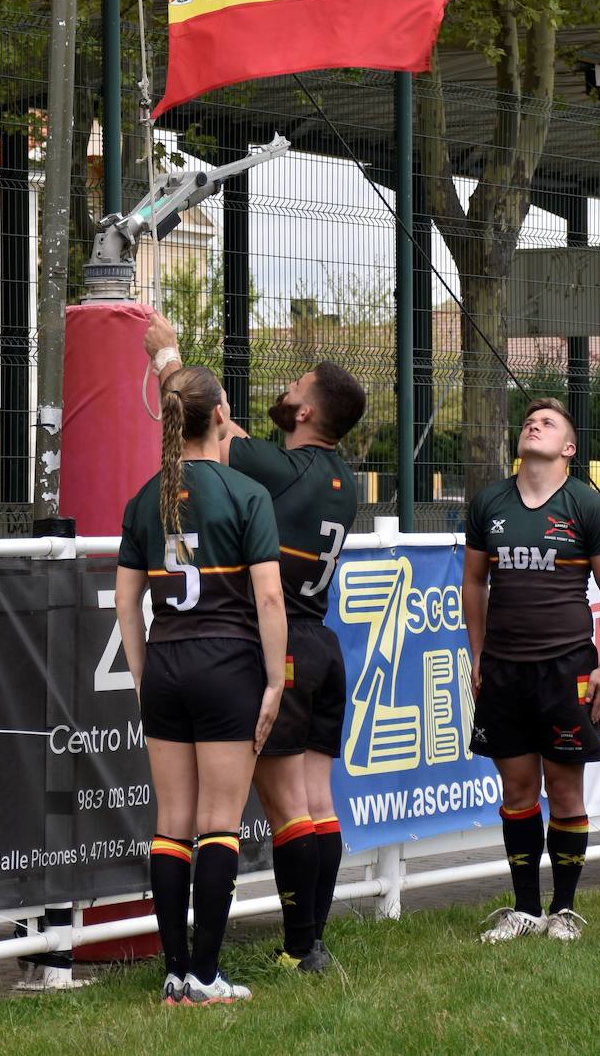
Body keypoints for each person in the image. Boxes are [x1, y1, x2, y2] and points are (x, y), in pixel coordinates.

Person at [144, 312, 366, 973]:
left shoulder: (283, 468)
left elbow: (204, 422)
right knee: (319, 804)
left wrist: (166, 356)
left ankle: (303, 947)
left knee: (285, 807)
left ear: (308, 411)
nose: (286, 390)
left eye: (295, 385)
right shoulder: (342, 479)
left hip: (287, 645)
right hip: (324, 643)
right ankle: (312, 941)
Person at [115, 365, 287, 1005]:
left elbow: (126, 603)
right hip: (227, 664)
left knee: (172, 823)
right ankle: (205, 977)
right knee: (218, 822)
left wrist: (141, 673)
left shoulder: (145, 498)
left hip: (166, 664)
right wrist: (274, 681)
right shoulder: (247, 493)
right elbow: (269, 598)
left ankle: (173, 972)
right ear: (221, 415)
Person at [462, 397, 600, 943]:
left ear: (569, 449)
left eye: (549, 422)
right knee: (517, 789)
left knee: (565, 788)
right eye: (530, 420)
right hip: (504, 671)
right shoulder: (489, 503)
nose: (535, 425)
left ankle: (565, 909)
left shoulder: (589, 507)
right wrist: (477, 654)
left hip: (567, 668)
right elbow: (473, 584)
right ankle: (525, 908)